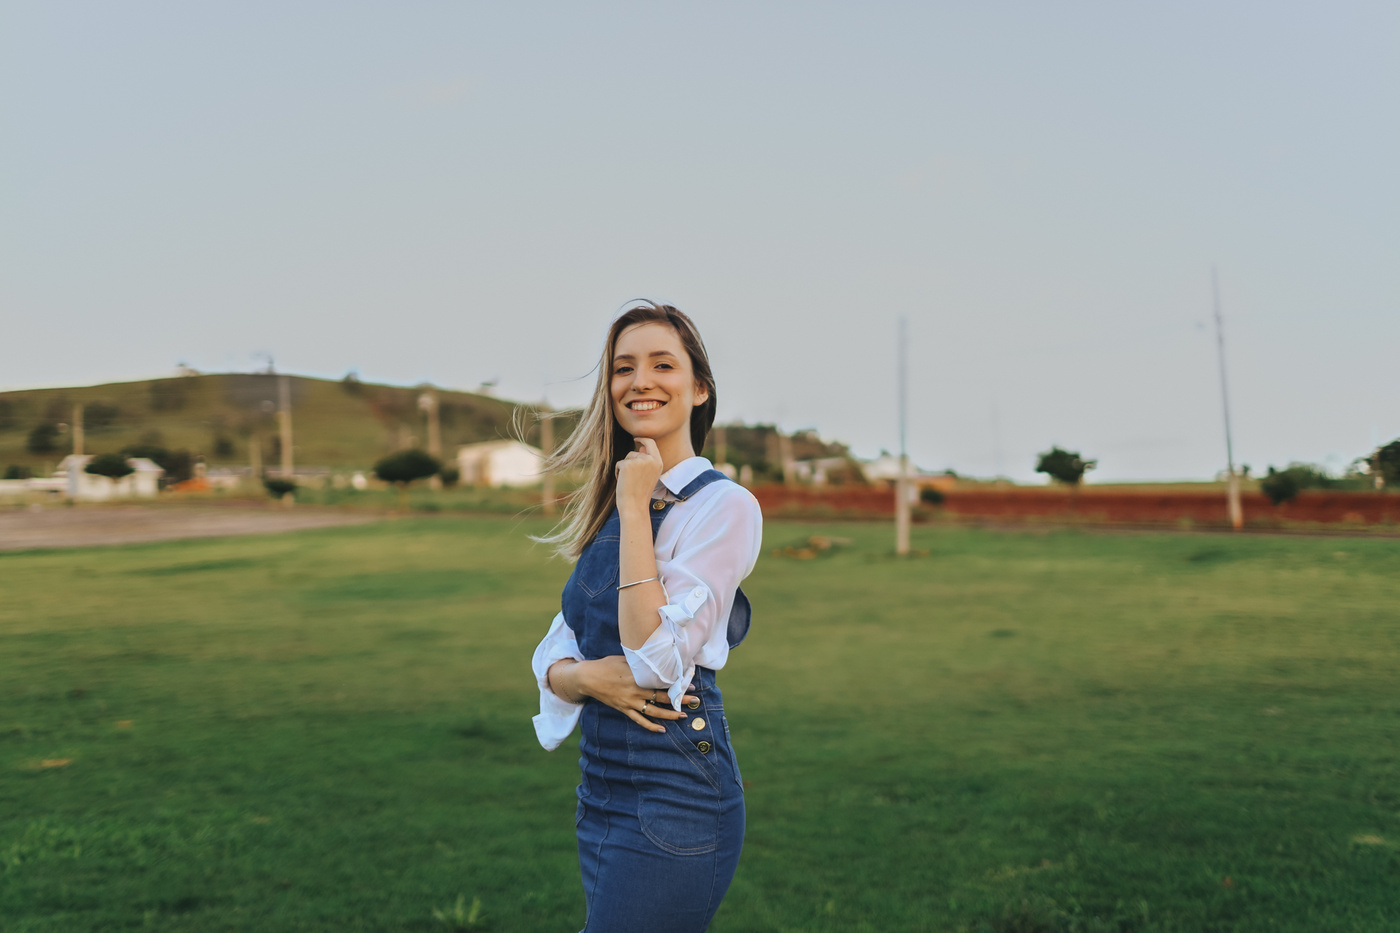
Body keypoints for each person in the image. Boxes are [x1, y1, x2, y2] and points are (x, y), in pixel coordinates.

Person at [530, 302, 762, 933]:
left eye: (663, 365)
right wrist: (582, 678)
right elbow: (554, 653)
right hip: (600, 785)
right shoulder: (614, 502)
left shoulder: (725, 507)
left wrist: (636, 508)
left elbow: (654, 659)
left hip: (677, 789)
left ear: (699, 388)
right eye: (623, 367)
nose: (640, 381)